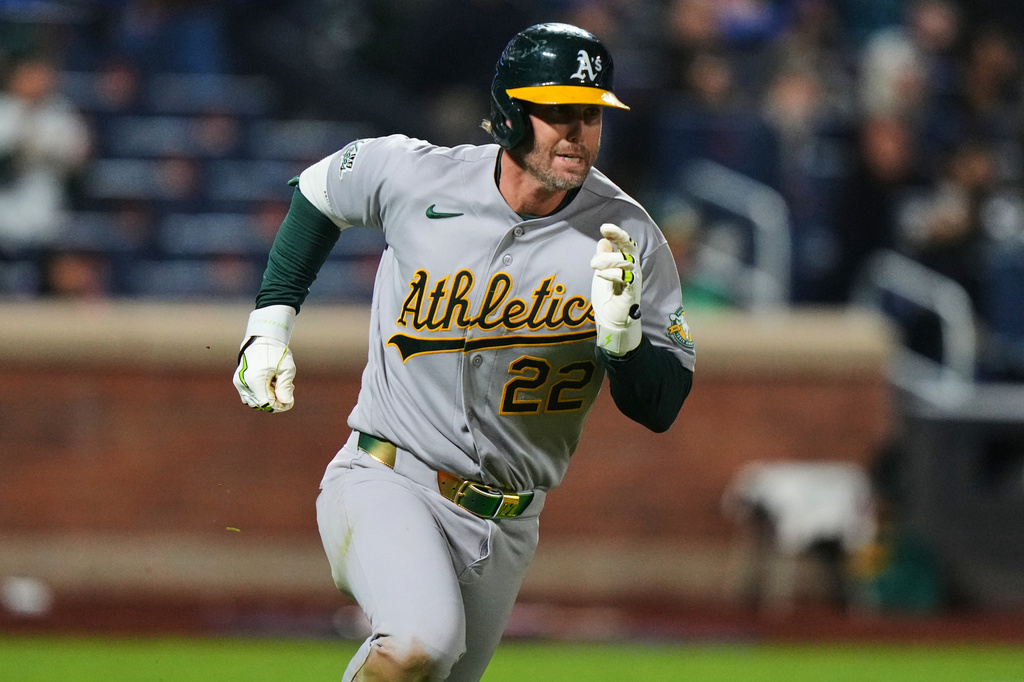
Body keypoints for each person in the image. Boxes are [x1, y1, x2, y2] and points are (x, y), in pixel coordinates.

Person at [232, 23, 695, 682]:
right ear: (508, 114)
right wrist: (269, 330)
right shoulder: (420, 176)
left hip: (509, 522)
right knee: (421, 642)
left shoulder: (629, 237)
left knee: (434, 669)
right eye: (557, 111)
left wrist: (622, 343)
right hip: (390, 477)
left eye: (590, 113)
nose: (577, 131)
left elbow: (661, 406)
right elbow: (319, 192)